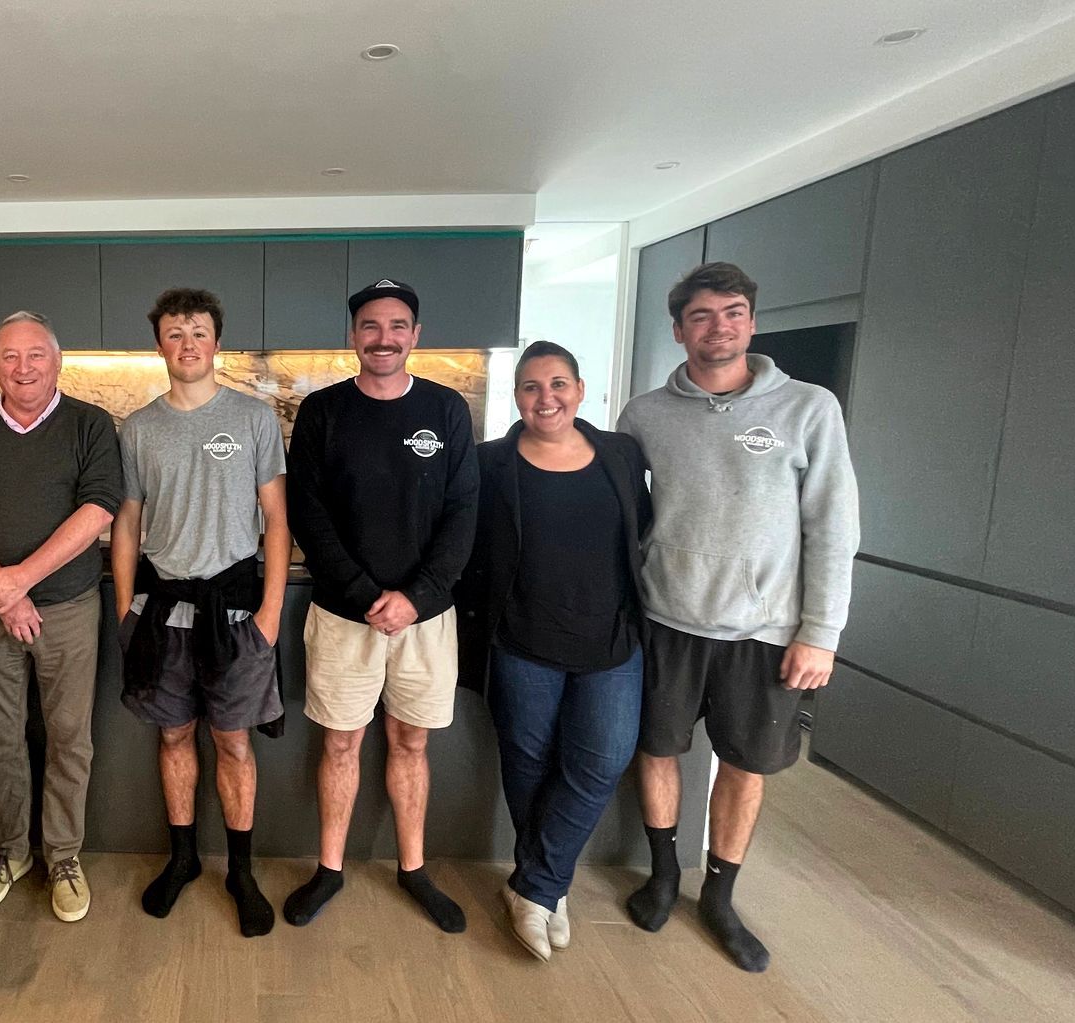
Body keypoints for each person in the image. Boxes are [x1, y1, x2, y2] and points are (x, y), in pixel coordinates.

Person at [617, 262, 859, 972]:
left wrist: (822, 631)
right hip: (667, 618)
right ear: (678, 329)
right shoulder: (645, 414)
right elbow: (627, 516)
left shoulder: (810, 408)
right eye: (701, 315)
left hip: (766, 631)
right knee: (657, 748)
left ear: (751, 322)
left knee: (745, 764)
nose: (717, 326)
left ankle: (720, 896)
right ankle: (664, 873)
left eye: (731, 312)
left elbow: (834, 526)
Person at [281, 279, 479, 932]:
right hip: (345, 616)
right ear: (353, 335)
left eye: (397, 325)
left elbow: (462, 511)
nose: (384, 337)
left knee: (411, 740)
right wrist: (368, 595)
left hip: (427, 619)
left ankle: (413, 867)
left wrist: (417, 596)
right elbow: (307, 512)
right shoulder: (321, 411)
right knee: (340, 742)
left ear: (415, 335)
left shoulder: (448, 409)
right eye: (371, 325)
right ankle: (331, 868)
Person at [459, 341, 651, 960]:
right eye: (533, 387)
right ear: (516, 397)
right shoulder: (491, 463)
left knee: (599, 762)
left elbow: (643, 532)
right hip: (521, 642)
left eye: (559, 384)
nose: (548, 398)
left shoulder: (621, 455)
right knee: (527, 762)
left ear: (581, 388)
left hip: (613, 642)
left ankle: (538, 884)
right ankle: (545, 889)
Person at [0, 311, 124, 923]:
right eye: (9, 357)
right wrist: (5, 594)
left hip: (67, 610)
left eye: (35, 355)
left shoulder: (90, 425)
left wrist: (21, 581)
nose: (23, 368)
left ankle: (64, 855)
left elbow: (99, 510)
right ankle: (11, 851)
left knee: (70, 739)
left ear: (57, 360)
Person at [112, 288, 289, 938]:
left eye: (198, 332)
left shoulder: (253, 417)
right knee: (173, 736)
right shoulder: (137, 428)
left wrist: (270, 612)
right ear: (158, 343)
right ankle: (183, 857)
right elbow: (127, 522)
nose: (187, 344)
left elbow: (277, 518)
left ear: (217, 341)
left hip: (239, 615)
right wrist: (126, 607)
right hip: (163, 615)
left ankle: (240, 871)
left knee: (234, 741)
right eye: (174, 333)